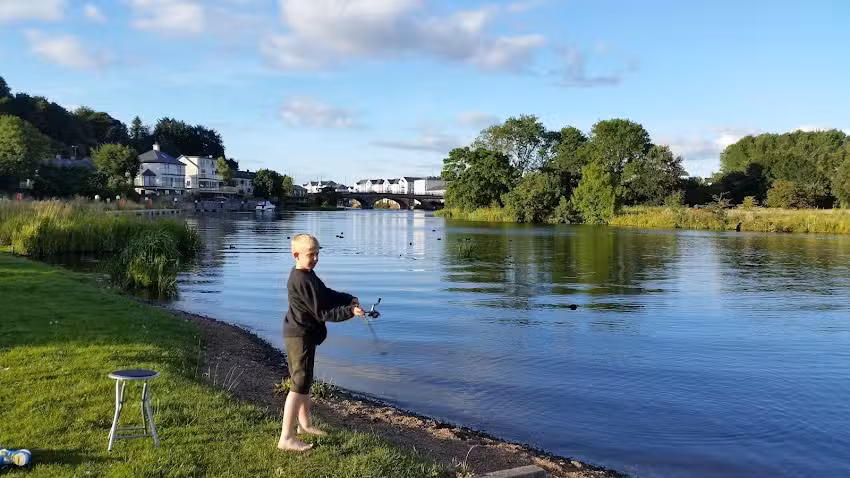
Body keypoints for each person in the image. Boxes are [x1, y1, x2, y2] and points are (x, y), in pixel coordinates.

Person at [278, 233, 364, 452]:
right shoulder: (300, 280)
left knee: (305, 380)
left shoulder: (308, 275)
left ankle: (304, 425)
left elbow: (324, 294)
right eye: (311, 255)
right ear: (296, 254)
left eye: (317, 254)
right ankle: (286, 437)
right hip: (299, 336)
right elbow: (322, 311)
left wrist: (346, 298)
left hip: (303, 334)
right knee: (298, 384)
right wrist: (350, 311)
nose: (315, 258)